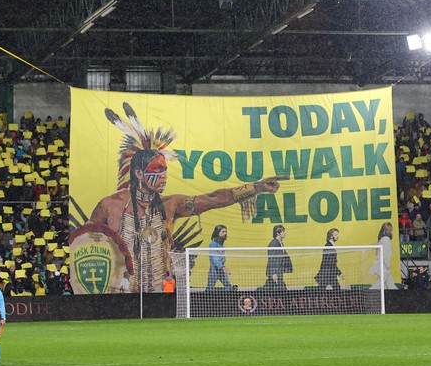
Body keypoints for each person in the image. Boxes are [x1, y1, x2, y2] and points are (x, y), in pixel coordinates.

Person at [87, 102, 284, 292]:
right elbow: (86, 244)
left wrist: (256, 187)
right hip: (117, 291)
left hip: (160, 288)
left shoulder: (171, 204)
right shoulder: (109, 205)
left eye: (165, 170)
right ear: (138, 173)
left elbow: (213, 198)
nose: (164, 176)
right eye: (157, 170)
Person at [264, 225, 293, 290]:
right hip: (275, 273)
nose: (285, 233)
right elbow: (272, 259)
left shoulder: (280, 243)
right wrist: (273, 273)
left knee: (277, 289)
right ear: (278, 233)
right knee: (278, 289)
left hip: (279, 272)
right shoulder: (274, 244)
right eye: (283, 231)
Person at [369, 222, 397, 290]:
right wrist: (388, 265)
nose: (392, 232)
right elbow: (386, 254)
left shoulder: (381, 240)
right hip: (383, 266)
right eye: (391, 230)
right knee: (379, 284)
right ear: (388, 230)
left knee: (390, 284)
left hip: (380, 264)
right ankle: (371, 293)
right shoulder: (386, 240)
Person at [207, 225, 235, 290]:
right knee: (209, 288)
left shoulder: (221, 245)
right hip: (214, 270)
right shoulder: (213, 244)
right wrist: (222, 267)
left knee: (228, 286)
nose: (225, 233)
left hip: (221, 270)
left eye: (226, 232)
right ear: (217, 232)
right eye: (223, 232)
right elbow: (214, 257)